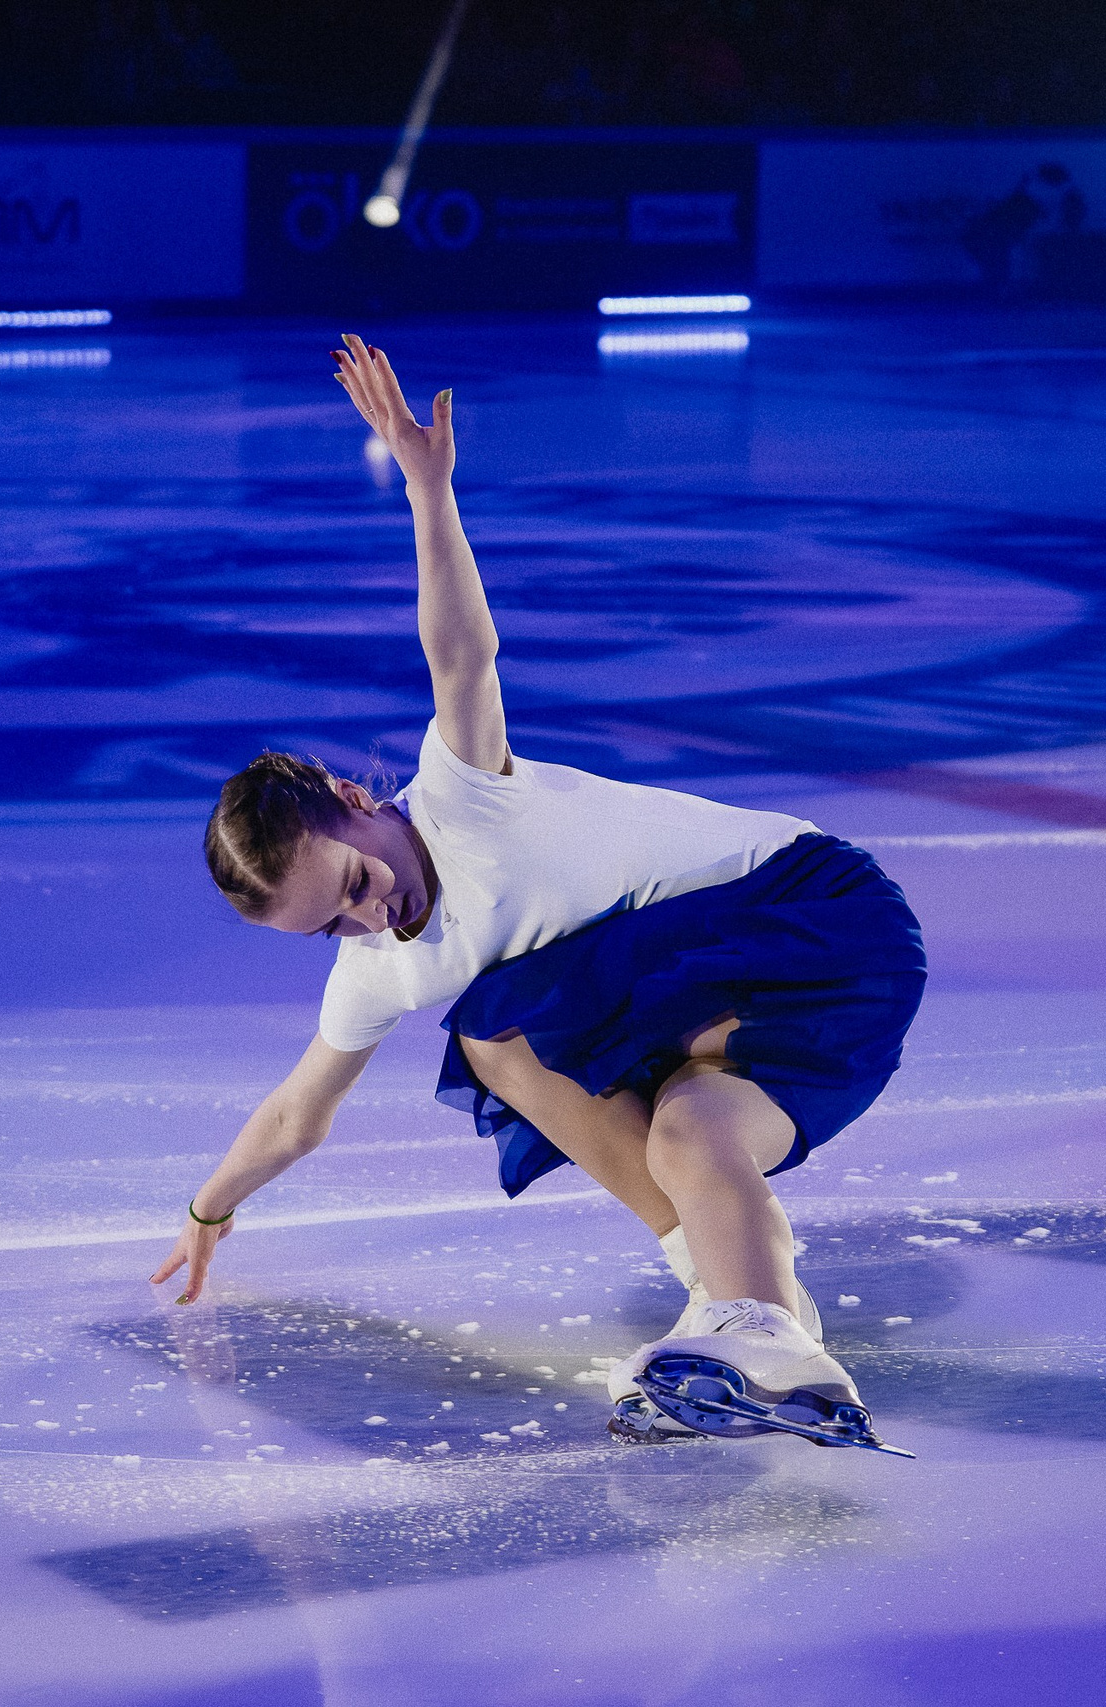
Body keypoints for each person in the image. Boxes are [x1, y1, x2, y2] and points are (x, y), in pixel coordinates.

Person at [151, 334, 928, 1455]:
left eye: (357, 884)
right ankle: (761, 1321)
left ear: (355, 798)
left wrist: (427, 489)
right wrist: (207, 1209)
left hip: (812, 920)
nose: (370, 920)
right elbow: (294, 1113)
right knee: (680, 1127)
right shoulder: (382, 963)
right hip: (696, 989)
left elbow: (460, 655)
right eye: (331, 926)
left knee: (494, 1017)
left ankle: (745, 1314)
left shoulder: (462, 798)